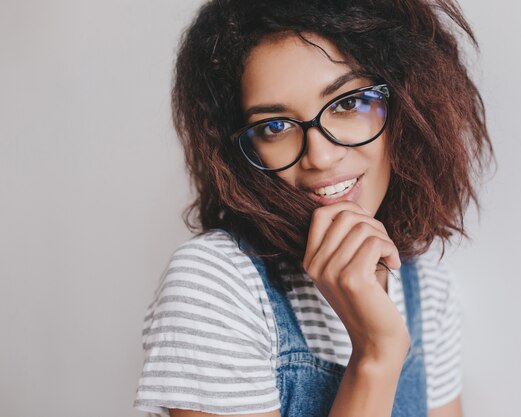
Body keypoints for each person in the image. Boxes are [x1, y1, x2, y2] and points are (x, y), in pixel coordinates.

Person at [134, 0, 492, 416]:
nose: (319, 157)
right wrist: (376, 353)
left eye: (347, 104)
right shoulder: (216, 285)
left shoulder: (424, 282)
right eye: (275, 127)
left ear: (409, 105)